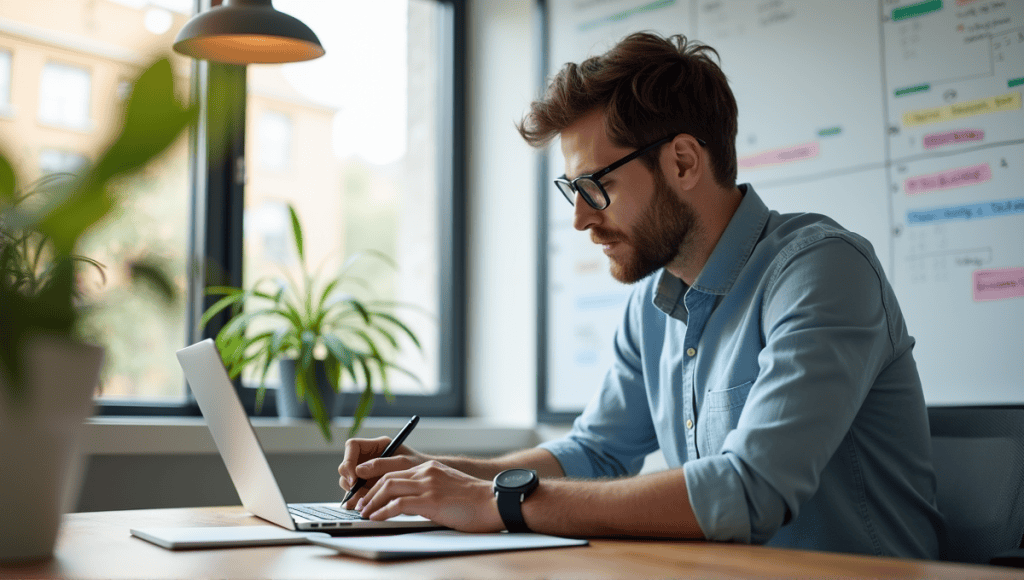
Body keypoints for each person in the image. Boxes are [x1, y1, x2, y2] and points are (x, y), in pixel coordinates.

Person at [338, 31, 944, 558]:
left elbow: (749, 491)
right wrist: (435, 474)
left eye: (595, 186)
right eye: (569, 189)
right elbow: (596, 453)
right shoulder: (654, 302)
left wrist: (497, 502)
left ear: (682, 162)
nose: (578, 219)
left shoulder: (821, 271)